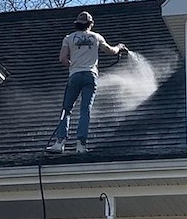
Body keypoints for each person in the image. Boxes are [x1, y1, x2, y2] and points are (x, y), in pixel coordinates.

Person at [47, 11, 128, 154]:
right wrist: (120, 47)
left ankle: (60, 143)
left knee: (67, 109)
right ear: (90, 24)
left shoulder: (69, 38)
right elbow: (111, 51)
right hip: (91, 76)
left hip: (75, 76)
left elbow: (62, 58)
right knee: (85, 110)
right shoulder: (96, 37)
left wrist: (72, 64)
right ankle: (81, 145)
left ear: (77, 24)